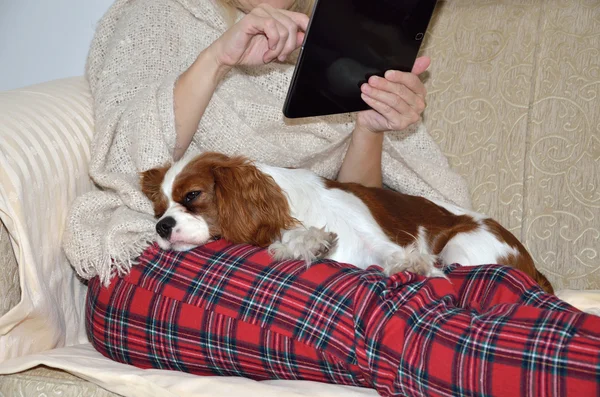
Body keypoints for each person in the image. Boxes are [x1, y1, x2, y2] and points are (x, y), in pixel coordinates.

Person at [65, 0, 600, 396]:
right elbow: (121, 161)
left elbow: (353, 198)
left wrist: (370, 126)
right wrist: (216, 59)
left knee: (479, 285)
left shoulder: (339, 33)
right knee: (383, 315)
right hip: (152, 265)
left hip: (311, 258)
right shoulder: (154, 16)